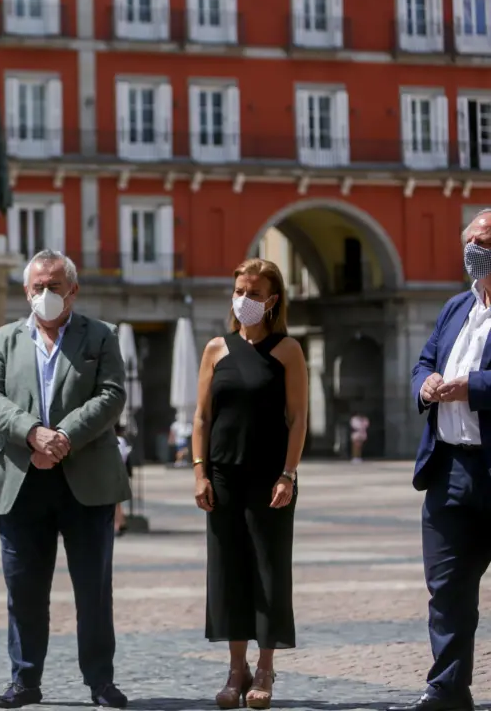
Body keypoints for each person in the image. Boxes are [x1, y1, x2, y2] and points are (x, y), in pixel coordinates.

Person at [0, 249, 130, 709]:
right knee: (23, 589)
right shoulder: (3, 339)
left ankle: (100, 681)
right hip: (23, 479)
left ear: (73, 290)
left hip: (86, 479)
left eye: (54, 286)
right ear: (26, 291)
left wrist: (63, 437)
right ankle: (25, 680)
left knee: (93, 590)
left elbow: (112, 395)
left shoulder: (101, 335)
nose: (45, 294)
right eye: (38, 287)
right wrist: (33, 434)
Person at [192, 258, 307, 710]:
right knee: (228, 571)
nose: (244, 299)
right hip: (222, 476)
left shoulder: (287, 350)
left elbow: (298, 418)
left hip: (270, 477)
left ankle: (264, 668)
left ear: (272, 300)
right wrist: (199, 472)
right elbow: (202, 417)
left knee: (269, 571)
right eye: (240, 291)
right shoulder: (215, 348)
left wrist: (288, 474)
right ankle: (235, 669)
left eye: (254, 293)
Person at [391, 209, 491, 711]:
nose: (476, 249)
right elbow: (424, 361)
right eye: (472, 240)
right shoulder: (456, 307)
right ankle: (448, 690)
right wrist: (426, 384)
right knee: (446, 588)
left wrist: (472, 387)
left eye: (486, 241)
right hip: (448, 468)